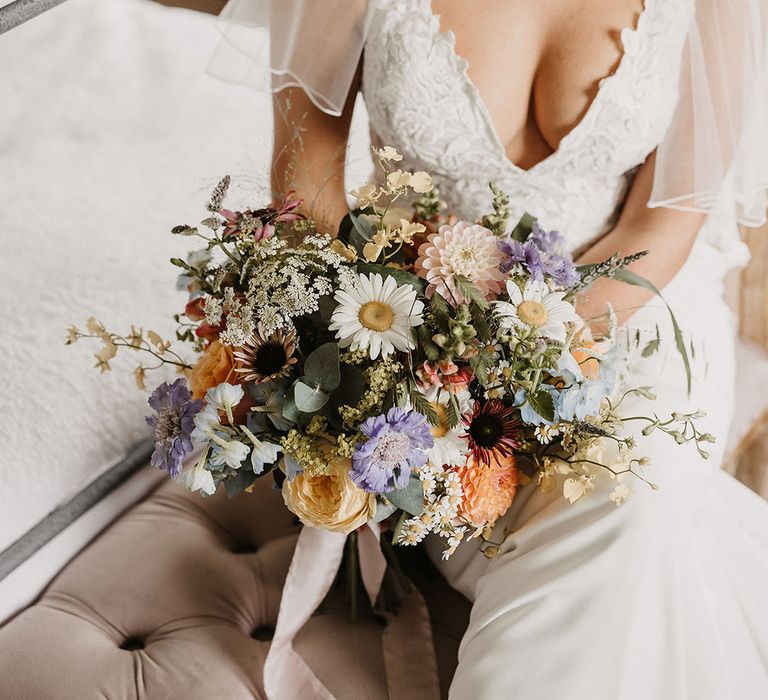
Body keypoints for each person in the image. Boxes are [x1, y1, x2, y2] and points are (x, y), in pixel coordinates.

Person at [213, 0, 768, 697]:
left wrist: (534, 351)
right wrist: (411, 354)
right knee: (614, 532)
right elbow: (305, 178)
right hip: (422, 341)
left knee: (637, 494)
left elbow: (670, 214)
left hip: (636, 313)